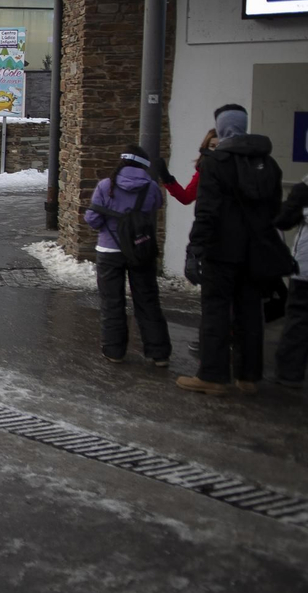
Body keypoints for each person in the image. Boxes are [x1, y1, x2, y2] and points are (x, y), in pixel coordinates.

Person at [177, 104, 283, 396]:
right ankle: (248, 376)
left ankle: (212, 375)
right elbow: (274, 210)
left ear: (222, 128)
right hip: (255, 253)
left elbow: (207, 212)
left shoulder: (215, 162)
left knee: (216, 311)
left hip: (221, 252)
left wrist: (194, 249)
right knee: (250, 312)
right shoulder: (269, 164)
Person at [83, 147, 172, 366]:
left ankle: (114, 351)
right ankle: (158, 353)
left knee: (112, 302)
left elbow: (93, 219)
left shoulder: (106, 185)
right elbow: (156, 207)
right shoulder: (151, 187)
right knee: (148, 300)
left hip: (109, 250)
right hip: (141, 249)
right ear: (143, 165)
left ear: (121, 163)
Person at [273, 181, 308, 387]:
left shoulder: (305, 187)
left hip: (306, 269)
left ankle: (289, 373)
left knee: (299, 318)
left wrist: (294, 200)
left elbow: (283, 220)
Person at [160, 128, 217, 206]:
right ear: (206, 147)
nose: (216, 151)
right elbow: (186, 197)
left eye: (221, 146)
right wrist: (165, 176)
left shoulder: (236, 169)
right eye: (212, 146)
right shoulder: (203, 172)